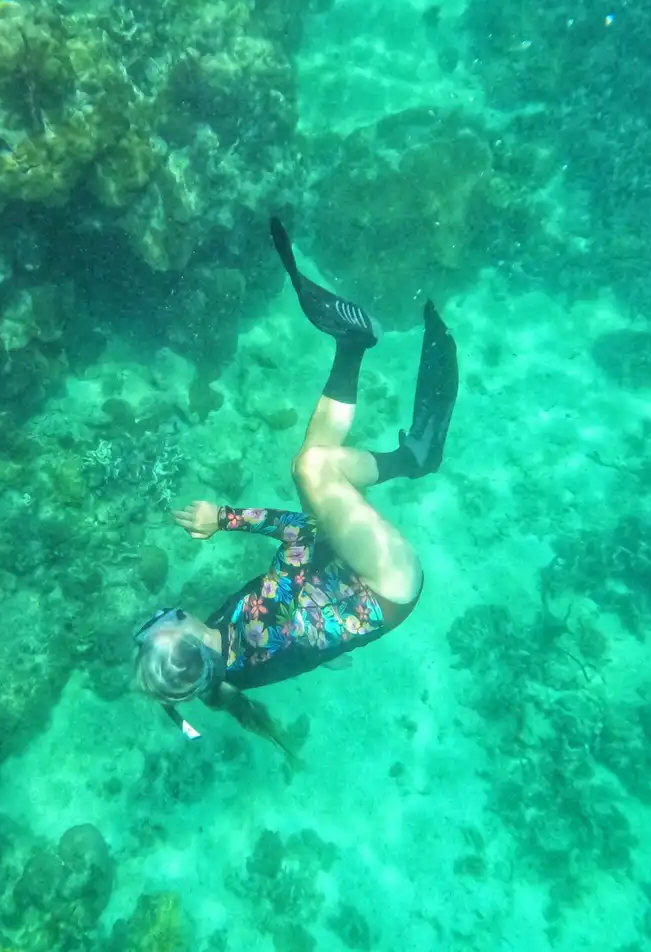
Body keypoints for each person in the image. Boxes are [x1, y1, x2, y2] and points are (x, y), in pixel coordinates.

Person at [132, 216, 458, 758]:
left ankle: (354, 345)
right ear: (187, 635)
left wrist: (320, 655)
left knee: (311, 461)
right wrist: (224, 519)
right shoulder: (256, 623)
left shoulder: (212, 671)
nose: (165, 613)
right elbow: (300, 531)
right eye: (165, 622)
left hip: (341, 584)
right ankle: (412, 456)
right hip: (387, 582)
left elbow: (225, 698)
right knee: (312, 472)